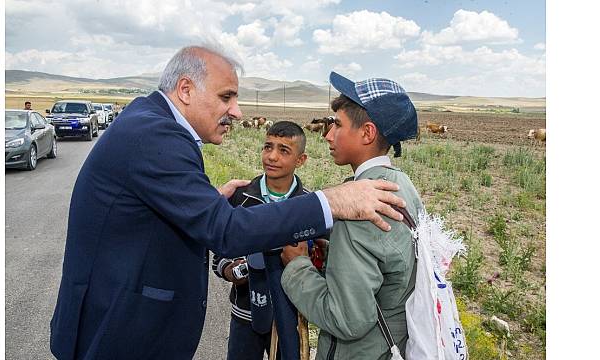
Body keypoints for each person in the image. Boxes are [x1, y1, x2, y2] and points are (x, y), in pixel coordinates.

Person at [49, 46, 406, 360]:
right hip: (118, 333)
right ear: (186, 90)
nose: (236, 112)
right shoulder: (155, 136)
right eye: (226, 97)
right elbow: (227, 232)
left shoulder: (149, 122)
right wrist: (328, 202)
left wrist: (205, 202)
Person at [280, 72, 423, 359]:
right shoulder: (401, 184)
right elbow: (388, 262)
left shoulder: (360, 203)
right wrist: (337, 253)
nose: (328, 135)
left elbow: (348, 319)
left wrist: (297, 266)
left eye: (338, 125)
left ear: (367, 133)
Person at [212, 120, 308, 360]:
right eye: (267, 147)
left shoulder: (309, 207)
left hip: (290, 318)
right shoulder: (240, 198)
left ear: (301, 160)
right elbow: (219, 252)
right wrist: (229, 270)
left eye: (283, 150)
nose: (272, 156)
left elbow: (322, 260)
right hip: (245, 314)